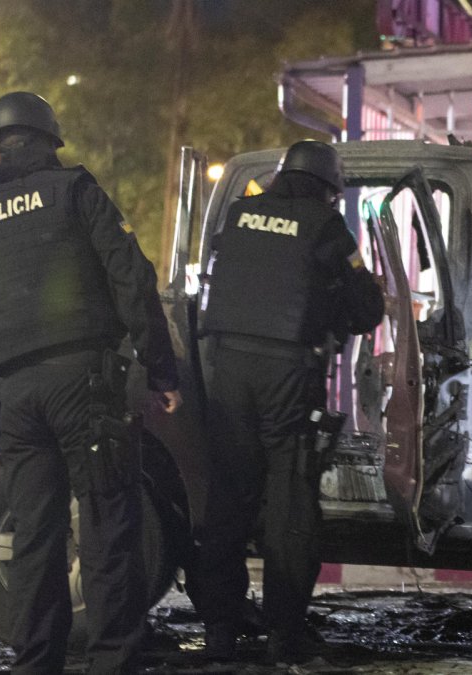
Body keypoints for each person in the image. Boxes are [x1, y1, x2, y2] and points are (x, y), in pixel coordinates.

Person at [0, 91, 182, 675]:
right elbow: (132, 277)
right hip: (87, 387)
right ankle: (111, 662)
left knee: (35, 537)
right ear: (49, 142)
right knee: (105, 526)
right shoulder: (75, 191)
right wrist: (160, 367)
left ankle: (36, 663)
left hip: (15, 401)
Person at [191, 140, 384, 663]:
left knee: (229, 503)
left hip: (228, 370)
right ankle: (283, 635)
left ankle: (219, 631)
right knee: (290, 506)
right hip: (289, 377)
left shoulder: (240, 213)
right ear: (328, 188)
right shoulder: (328, 227)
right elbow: (366, 310)